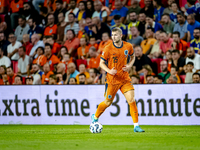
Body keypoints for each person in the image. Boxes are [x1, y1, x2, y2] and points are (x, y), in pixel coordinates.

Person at [91, 27, 145, 132]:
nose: (113, 37)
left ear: (121, 35)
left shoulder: (128, 46)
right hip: (112, 80)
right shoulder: (108, 48)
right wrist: (109, 71)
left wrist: (129, 66)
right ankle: (95, 116)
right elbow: (101, 63)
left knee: (131, 100)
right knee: (107, 102)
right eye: (112, 35)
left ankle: (136, 126)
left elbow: (133, 57)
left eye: (116, 35)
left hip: (124, 78)